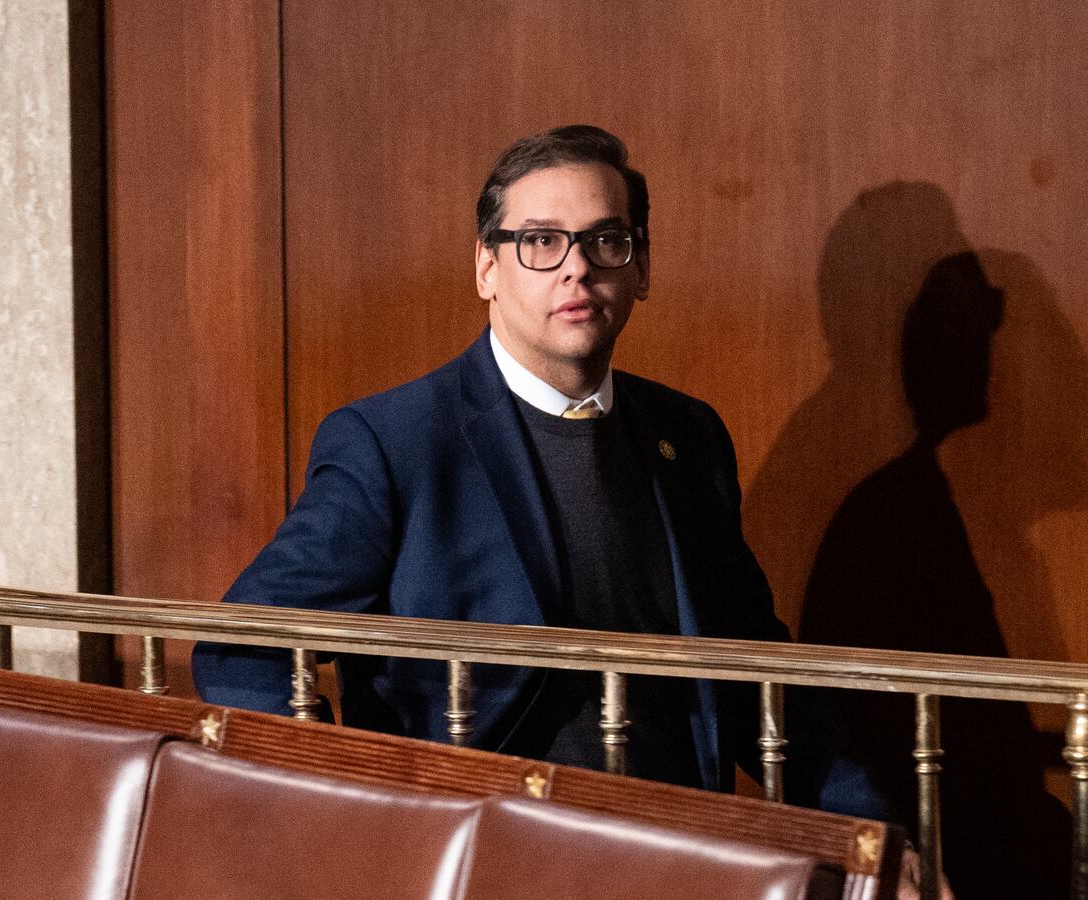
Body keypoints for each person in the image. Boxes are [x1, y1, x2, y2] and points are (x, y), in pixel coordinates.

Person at [191, 124, 888, 822]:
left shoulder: (689, 435)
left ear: (640, 268)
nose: (576, 267)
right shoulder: (394, 442)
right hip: (477, 853)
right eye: (541, 241)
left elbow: (751, 671)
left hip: (675, 850)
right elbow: (241, 649)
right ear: (486, 269)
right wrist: (351, 805)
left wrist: (876, 838)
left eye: (605, 240)